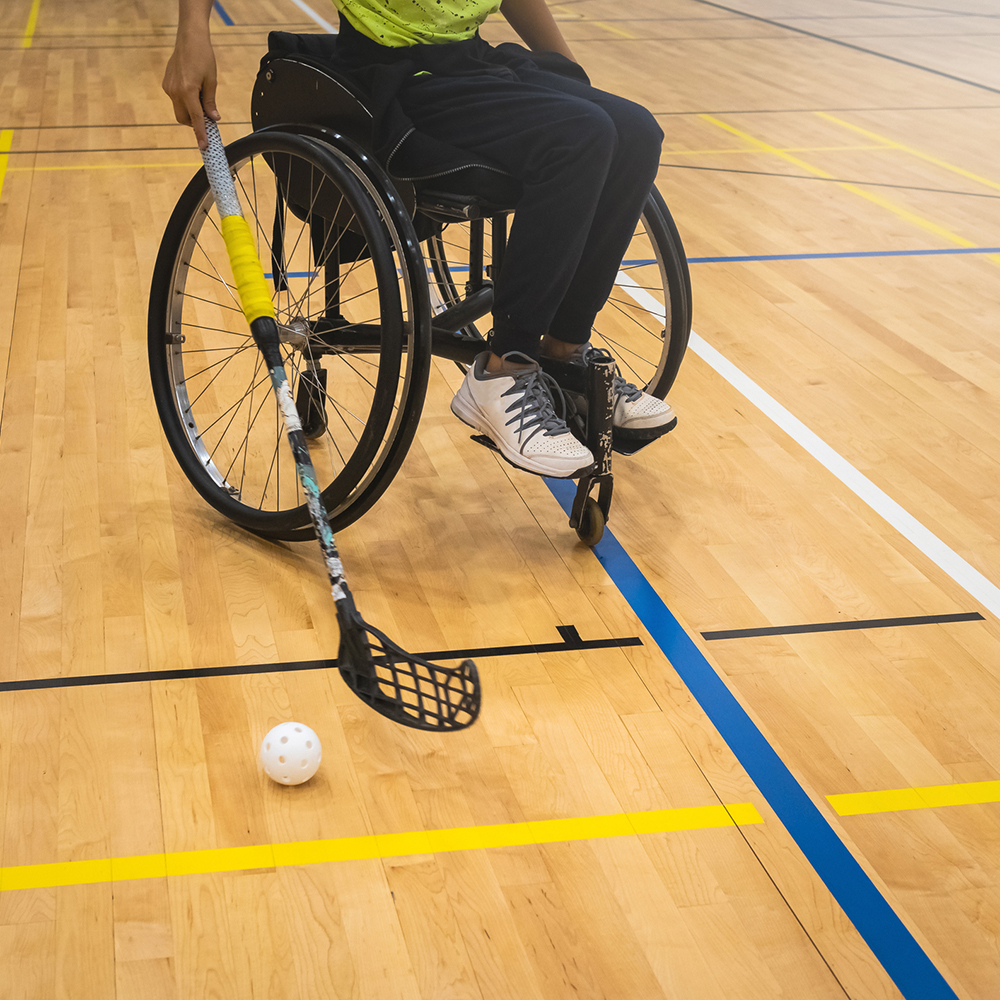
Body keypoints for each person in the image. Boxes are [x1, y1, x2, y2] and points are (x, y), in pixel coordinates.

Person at [163, 0, 676, 479]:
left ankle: (563, 354)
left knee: (634, 131)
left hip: (471, 64)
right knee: (583, 133)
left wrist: (568, 77)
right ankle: (503, 371)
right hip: (396, 77)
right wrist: (192, 35)